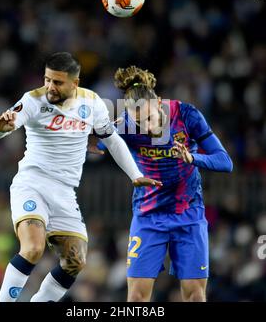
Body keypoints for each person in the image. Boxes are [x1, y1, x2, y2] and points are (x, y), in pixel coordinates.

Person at [0, 53, 162, 302]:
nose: (50, 87)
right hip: (32, 184)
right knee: (33, 249)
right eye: (47, 79)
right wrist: (1, 128)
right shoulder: (33, 100)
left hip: (65, 192)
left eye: (57, 82)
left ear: (75, 83)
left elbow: (111, 140)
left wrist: (135, 175)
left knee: (75, 261)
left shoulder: (92, 103)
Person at [91, 65, 233, 302]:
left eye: (149, 117)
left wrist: (192, 157)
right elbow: (96, 145)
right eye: (139, 122)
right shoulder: (125, 124)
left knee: (195, 296)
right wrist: (90, 137)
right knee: (136, 298)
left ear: (158, 102)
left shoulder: (187, 115)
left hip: (188, 214)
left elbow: (225, 161)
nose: (146, 127)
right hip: (148, 216)